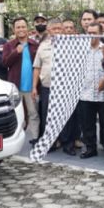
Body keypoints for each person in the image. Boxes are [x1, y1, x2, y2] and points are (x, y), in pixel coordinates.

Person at [33, 18, 76, 155]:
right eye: (54, 29)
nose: (57, 31)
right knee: (47, 116)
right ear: (49, 30)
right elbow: (37, 68)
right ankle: (49, 143)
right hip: (47, 87)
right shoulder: (43, 46)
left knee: (67, 117)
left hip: (65, 87)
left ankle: (68, 144)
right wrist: (34, 87)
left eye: (59, 28)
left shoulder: (72, 45)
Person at [1, 17, 41, 141]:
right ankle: (16, 137)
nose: (21, 29)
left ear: (27, 28)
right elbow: (5, 63)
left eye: (23, 26)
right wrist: (15, 52)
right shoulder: (9, 45)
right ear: (14, 29)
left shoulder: (35, 45)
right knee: (17, 114)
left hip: (31, 87)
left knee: (33, 113)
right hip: (16, 86)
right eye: (18, 27)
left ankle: (35, 138)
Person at [77, 21, 104, 159]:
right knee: (87, 125)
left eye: (94, 33)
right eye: (89, 32)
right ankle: (90, 148)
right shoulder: (80, 50)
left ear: (101, 33)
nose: (91, 35)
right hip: (85, 93)